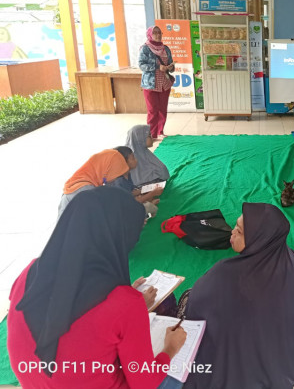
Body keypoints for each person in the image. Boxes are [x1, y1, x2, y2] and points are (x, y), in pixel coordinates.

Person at [7, 187, 187, 388]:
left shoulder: (29, 272)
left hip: (34, 383)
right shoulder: (125, 304)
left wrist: (128, 304)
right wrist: (170, 348)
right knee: (181, 372)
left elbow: (67, 313)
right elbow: (144, 383)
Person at [182, 203, 294, 388]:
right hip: (275, 349)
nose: (232, 232)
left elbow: (197, 304)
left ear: (259, 239)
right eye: (236, 226)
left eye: (240, 231)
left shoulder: (226, 274)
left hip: (236, 356)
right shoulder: (293, 260)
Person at [57, 149, 130, 219]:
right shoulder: (86, 189)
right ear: (106, 169)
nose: (115, 179)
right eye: (114, 173)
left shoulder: (85, 180)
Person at [139, 25, 174, 140]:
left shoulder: (166, 48)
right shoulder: (145, 48)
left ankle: (160, 131)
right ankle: (152, 134)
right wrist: (158, 67)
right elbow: (141, 65)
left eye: (160, 33)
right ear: (150, 34)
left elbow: (171, 63)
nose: (158, 35)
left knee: (162, 109)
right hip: (151, 84)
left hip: (164, 83)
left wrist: (170, 67)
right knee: (152, 110)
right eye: (155, 33)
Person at [110, 146, 164, 216]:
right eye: (133, 158)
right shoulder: (119, 182)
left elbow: (131, 192)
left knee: (146, 196)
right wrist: (152, 193)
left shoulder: (127, 173)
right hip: (121, 210)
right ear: (124, 163)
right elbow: (129, 203)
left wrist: (147, 190)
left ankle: (148, 204)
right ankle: (147, 210)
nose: (136, 160)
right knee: (149, 207)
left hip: (128, 201)